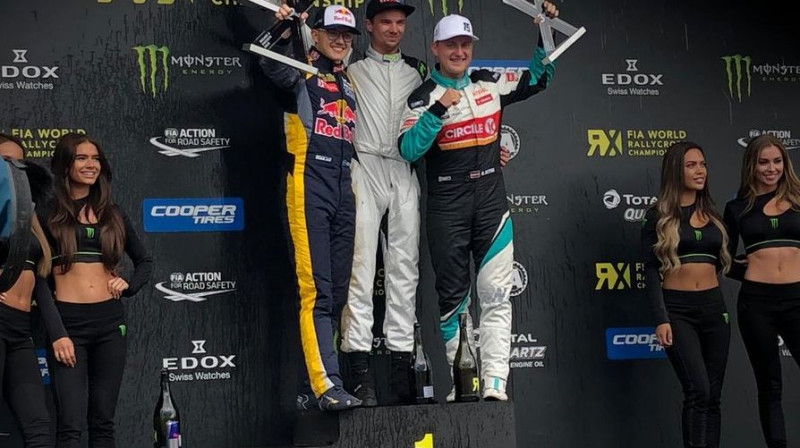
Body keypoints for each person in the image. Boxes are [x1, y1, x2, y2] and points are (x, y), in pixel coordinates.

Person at [397, 3, 558, 402]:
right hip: (447, 205)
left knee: (497, 294)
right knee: (454, 302)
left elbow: (538, 78)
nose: (459, 51)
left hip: (490, 202)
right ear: (436, 48)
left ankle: (495, 383)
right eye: (451, 45)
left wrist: (546, 33)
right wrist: (438, 111)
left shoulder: (490, 82)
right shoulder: (422, 97)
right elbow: (409, 149)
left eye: (465, 44)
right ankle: (463, 383)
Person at [261, 4, 362, 411]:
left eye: (347, 35)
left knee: (336, 294)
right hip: (308, 183)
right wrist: (283, 29)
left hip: (344, 187)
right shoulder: (300, 69)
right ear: (315, 35)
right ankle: (326, 385)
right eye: (332, 32)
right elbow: (267, 60)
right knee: (316, 291)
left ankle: (311, 384)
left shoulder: (348, 81)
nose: (340, 40)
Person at [338, 0, 427, 407]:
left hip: (404, 168)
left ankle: (402, 373)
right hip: (365, 164)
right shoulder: (351, 70)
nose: (394, 29)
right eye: (386, 22)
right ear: (369, 25)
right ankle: (358, 374)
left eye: (400, 22)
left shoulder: (418, 72)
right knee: (360, 267)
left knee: (405, 270)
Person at [43, 132, 152, 448]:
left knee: (103, 423)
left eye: (95, 158)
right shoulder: (47, 213)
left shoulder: (113, 213)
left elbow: (144, 261)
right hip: (68, 325)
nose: (91, 164)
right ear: (65, 165)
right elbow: (38, 280)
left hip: (109, 324)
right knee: (70, 425)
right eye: (81, 158)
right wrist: (58, 334)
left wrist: (129, 285)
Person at [641, 142, 731, 448]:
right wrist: (661, 318)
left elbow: (724, 264)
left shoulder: (713, 215)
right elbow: (650, 270)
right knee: (698, 390)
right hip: (678, 311)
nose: (700, 171)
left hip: (715, 310)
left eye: (703, 164)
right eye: (691, 165)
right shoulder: (658, 215)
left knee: (713, 396)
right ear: (675, 170)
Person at [724, 134, 800, 448]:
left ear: (785, 163)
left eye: (777, 161)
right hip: (757, 304)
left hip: (797, 300)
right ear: (752, 166)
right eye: (763, 162)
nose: (771, 169)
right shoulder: (737, 207)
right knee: (769, 385)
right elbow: (723, 258)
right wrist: (748, 270)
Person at [0, 133, 74, 448]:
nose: (15, 169)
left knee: (38, 425)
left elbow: (39, 280)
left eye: (20, 162)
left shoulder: (27, 216)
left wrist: (59, 333)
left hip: (20, 331)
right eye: (6, 161)